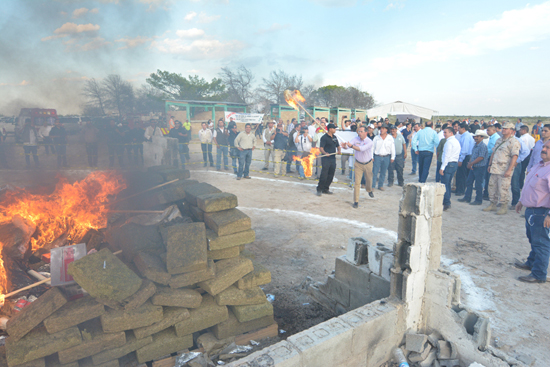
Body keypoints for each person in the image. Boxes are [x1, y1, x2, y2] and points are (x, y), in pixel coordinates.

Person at [514, 140, 550, 283]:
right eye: (544, 147)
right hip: (531, 211)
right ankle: (531, 263)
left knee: (541, 243)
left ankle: (539, 274)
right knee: (533, 239)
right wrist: (521, 201)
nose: (544, 149)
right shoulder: (539, 165)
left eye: (548, 148)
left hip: (541, 213)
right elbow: (529, 185)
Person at [483, 122, 521, 215]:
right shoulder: (499, 140)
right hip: (495, 168)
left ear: (511, 131)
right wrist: (490, 164)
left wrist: (509, 170)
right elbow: (493, 153)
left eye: (506, 128)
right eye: (503, 128)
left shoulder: (514, 142)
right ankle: (492, 204)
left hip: (504, 169)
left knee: (503, 188)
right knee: (492, 186)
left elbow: (514, 156)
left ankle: (503, 205)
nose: (503, 130)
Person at [458, 130, 488, 205]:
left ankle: (478, 200)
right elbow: (473, 155)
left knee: (478, 184)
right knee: (469, 182)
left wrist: (471, 163)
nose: (475, 138)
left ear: (482, 137)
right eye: (475, 136)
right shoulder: (476, 145)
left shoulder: (483, 146)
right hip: (474, 166)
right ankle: (467, 197)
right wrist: (470, 163)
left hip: (480, 167)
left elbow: (481, 157)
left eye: (477, 136)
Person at [439, 127, 461, 211]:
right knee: (448, 183)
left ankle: (446, 202)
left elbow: (446, 156)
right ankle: (447, 201)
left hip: (449, 164)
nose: (444, 134)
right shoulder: (456, 141)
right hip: (454, 163)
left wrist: (442, 168)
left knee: (445, 184)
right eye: (444, 132)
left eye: (445, 132)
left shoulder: (449, 142)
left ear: (451, 133)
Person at [316, 123, 341, 196]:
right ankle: (319, 189)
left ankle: (326, 189)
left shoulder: (335, 137)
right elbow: (321, 148)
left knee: (331, 174)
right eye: (334, 128)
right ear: (330, 129)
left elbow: (338, 146)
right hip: (326, 159)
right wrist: (325, 153)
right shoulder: (324, 137)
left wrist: (339, 150)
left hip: (333, 158)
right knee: (324, 174)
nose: (335, 129)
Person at [372, 124, 395, 191]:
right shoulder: (376, 138)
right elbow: (372, 148)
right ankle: (372, 185)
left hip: (386, 156)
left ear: (386, 130)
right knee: (375, 172)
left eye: (383, 128)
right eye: (381, 128)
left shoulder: (390, 138)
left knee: (383, 172)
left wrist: (393, 157)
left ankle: (380, 185)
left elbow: (392, 148)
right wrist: (372, 156)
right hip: (377, 156)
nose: (381, 130)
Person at [510, 135, 530, 209]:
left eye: (506, 129)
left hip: (515, 165)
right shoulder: (502, 140)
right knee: (503, 183)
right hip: (504, 164)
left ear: (513, 131)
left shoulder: (518, 140)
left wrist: (517, 161)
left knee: (515, 184)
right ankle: (503, 202)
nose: (503, 130)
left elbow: (526, 151)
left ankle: (515, 202)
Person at [455, 122, 475, 195]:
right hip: (465, 157)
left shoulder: (466, 136)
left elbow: (464, 150)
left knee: (462, 175)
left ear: (463, 129)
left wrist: (460, 160)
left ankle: (461, 190)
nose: (458, 130)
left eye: (459, 128)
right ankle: (458, 189)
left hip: (465, 157)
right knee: (460, 174)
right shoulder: (464, 135)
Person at [483, 125, 501, 200]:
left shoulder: (496, 138)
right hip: (489, 157)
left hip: (492, 158)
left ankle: (489, 194)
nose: (487, 132)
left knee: (490, 178)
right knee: (487, 177)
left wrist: (485, 151)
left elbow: (494, 150)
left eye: (489, 130)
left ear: (494, 130)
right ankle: (486, 193)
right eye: (487, 130)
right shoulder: (492, 137)